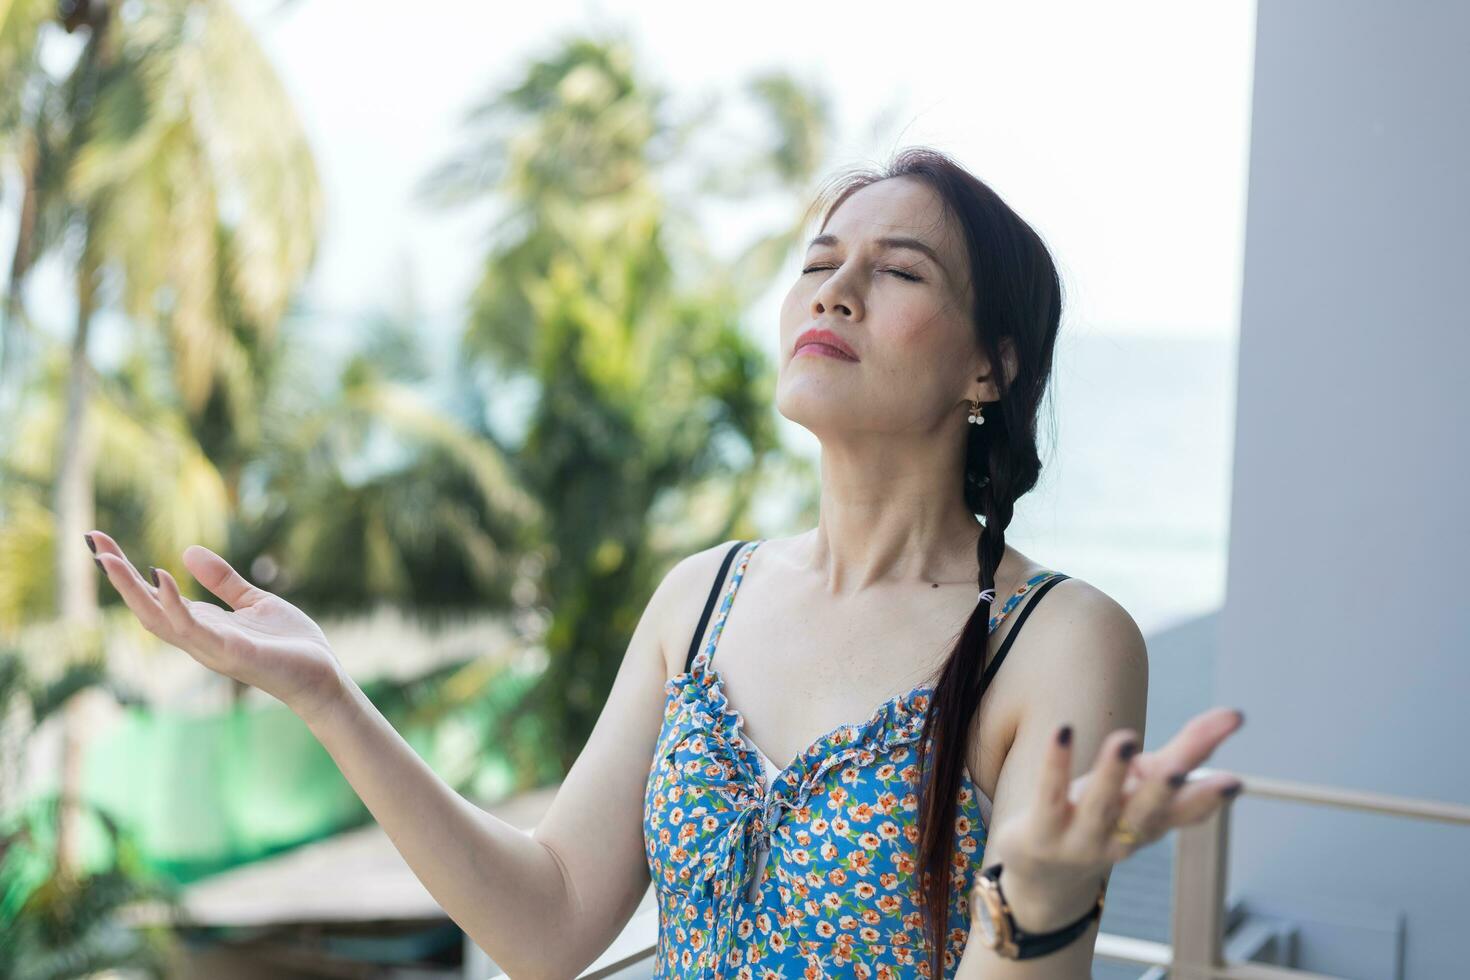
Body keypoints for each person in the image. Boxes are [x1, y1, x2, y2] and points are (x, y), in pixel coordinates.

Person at [87, 146, 1245, 979]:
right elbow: (545, 925)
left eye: (899, 271)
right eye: (821, 258)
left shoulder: (1058, 639)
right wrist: (328, 694)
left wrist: (1034, 902)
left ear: (990, 369)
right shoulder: (702, 598)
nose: (834, 286)